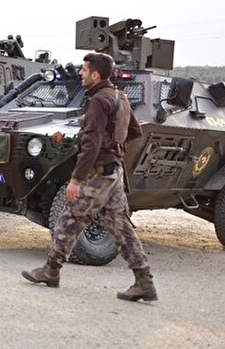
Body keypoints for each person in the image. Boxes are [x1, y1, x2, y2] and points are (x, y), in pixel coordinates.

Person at [21, 52, 157, 302]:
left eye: (84, 70)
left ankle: (50, 271)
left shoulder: (97, 101)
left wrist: (76, 179)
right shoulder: (120, 97)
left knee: (70, 218)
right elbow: (135, 130)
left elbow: (90, 145)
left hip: (98, 173)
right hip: (114, 172)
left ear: (95, 74)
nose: (81, 73)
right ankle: (144, 281)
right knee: (121, 225)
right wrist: (115, 145)